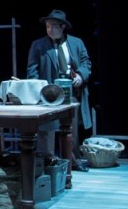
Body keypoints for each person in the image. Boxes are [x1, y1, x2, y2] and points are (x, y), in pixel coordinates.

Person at [26, 9, 92, 171]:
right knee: (46, 129)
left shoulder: (76, 43)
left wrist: (81, 76)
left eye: (54, 26)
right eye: (48, 26)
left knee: (71, 128)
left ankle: (73, 161)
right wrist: (39, 89)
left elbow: (86, 62)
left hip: (71, 91)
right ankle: (47, 160)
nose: (50, 30)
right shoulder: (39, 45)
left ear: (63, 27)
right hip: (49, 93)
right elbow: (32, 69)